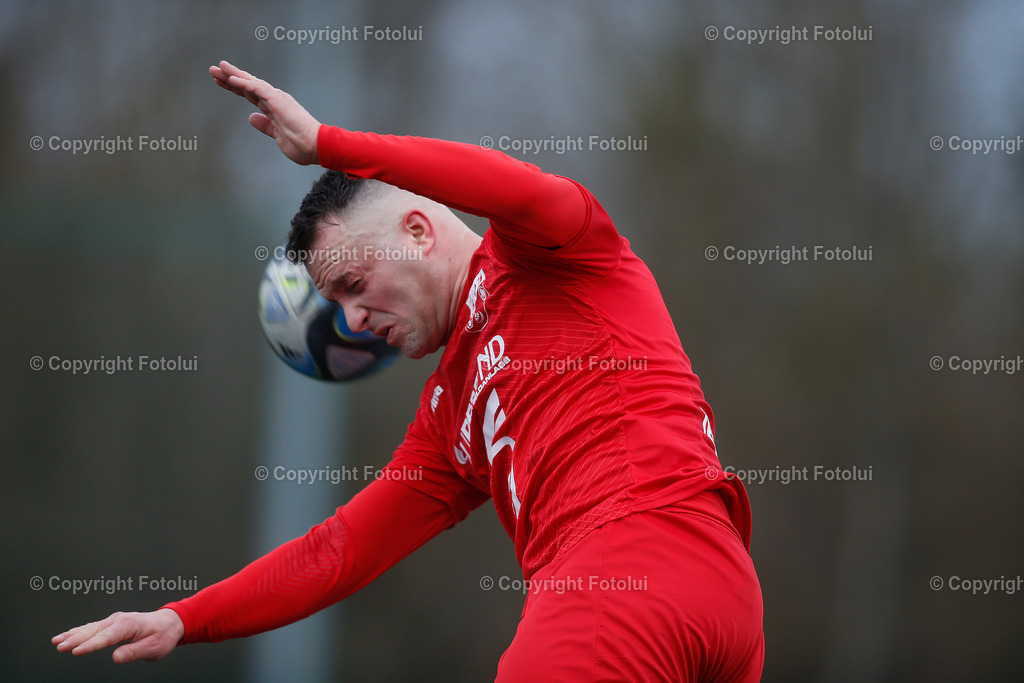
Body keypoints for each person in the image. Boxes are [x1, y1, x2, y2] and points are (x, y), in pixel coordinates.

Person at [53, 61, 764, 681]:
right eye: (335, 305)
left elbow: (509, 186)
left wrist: (329, 144)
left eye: (354, 285)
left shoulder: (549, 253)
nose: (354, 321)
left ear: (418, 232)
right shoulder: (449, 417)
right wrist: (185, 617)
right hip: (720, 594)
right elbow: (339, 549)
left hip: (627, 568)